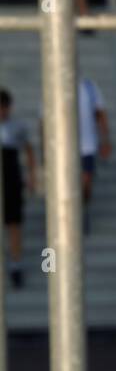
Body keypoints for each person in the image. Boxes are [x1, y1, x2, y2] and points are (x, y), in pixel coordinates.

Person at [0, 89, 37, 287]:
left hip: (11, 175)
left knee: (14, 222)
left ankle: (16, 263)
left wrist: (32, 177)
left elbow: (28, 150)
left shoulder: (17, 127)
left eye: (4, 108)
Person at [78, 76, 110, 233]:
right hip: (63, 148)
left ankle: (82, 210)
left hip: (87, 146)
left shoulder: (89, 86)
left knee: (86, 182)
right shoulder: (54, 83)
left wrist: (105, 140)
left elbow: (101, 113)